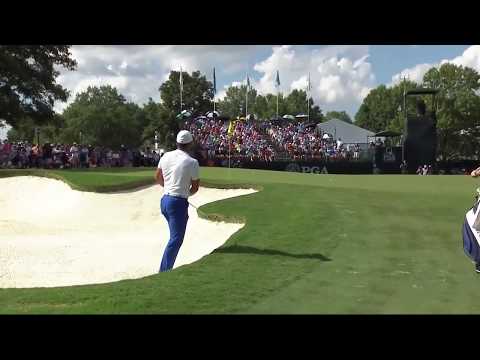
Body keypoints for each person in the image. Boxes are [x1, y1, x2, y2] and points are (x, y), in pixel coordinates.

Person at [155, 130, 200, 272]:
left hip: (165, 201)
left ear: (177, 143)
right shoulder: (192, 162)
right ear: (190, 144)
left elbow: (157, 176)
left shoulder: (166, 156)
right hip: (177, 203)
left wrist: (169, 188)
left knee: (174, 236)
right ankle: (164, 271)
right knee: (176, 239)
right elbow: (195, 187)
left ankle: (166, 267)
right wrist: (184, 193)